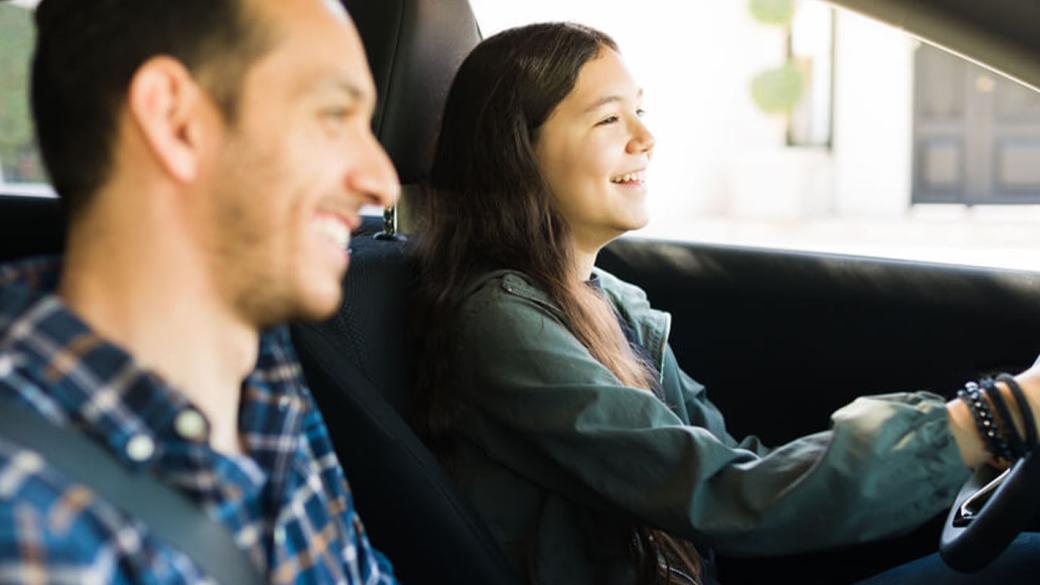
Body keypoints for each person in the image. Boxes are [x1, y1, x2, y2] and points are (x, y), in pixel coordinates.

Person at [410, 22, 1040, 585]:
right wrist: (993, 417)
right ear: (519, 151)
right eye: (609, 119)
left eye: (641, 111)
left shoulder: (611, 302)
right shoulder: (499, 324)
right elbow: (727, 493)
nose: (646, 137)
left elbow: (739, 466)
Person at [0, 0, 400, 582]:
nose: (381, 182)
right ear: (176, 122)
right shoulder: (25, 520)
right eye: (334, 115)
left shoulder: (265, 379)